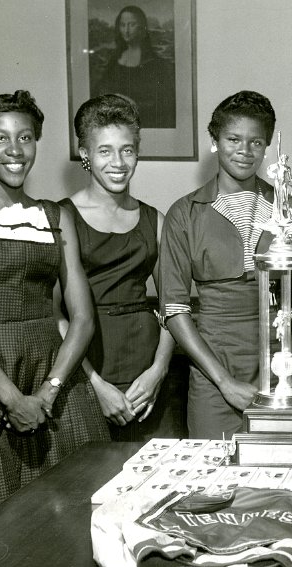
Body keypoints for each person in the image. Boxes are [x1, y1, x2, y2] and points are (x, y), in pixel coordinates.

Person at [0, 91, 109, 541]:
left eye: (25, 137)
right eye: (0, 138)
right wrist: (12, 398)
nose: (14, 150)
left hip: (54, 382)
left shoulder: (55, 217)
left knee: (69, 527)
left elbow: (82, 318)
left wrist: (47, 393)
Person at [158, 91, 292, 439]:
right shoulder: (185, 213)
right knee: (215, 477)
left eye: (256, 142)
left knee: (283, 472)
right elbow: (174, 308)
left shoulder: (290, 210)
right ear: (214, 142)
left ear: (266, 149)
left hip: (281, 363)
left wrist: (290, 367)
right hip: (214, 367)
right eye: (233, 139)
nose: (244, 150)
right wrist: (223, 381)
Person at [57, 94, 175, 441]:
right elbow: (55, 315)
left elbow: (174, 305)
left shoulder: (155, 220)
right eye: (105, 150)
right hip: (87, 363)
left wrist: (159, 369)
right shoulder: (61, 216)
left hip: (145, 367)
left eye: (128, 150)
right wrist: (93, 383)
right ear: (85, 155)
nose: (118, 162)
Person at [94, 5, 175, 129]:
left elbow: (163, 103)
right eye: (122, 25)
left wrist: (130, 104)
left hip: (145, 125)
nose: (126, 30)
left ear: (142, 28)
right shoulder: (114, 59)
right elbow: (100, 89)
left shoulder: (155, 63)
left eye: (131, 25)